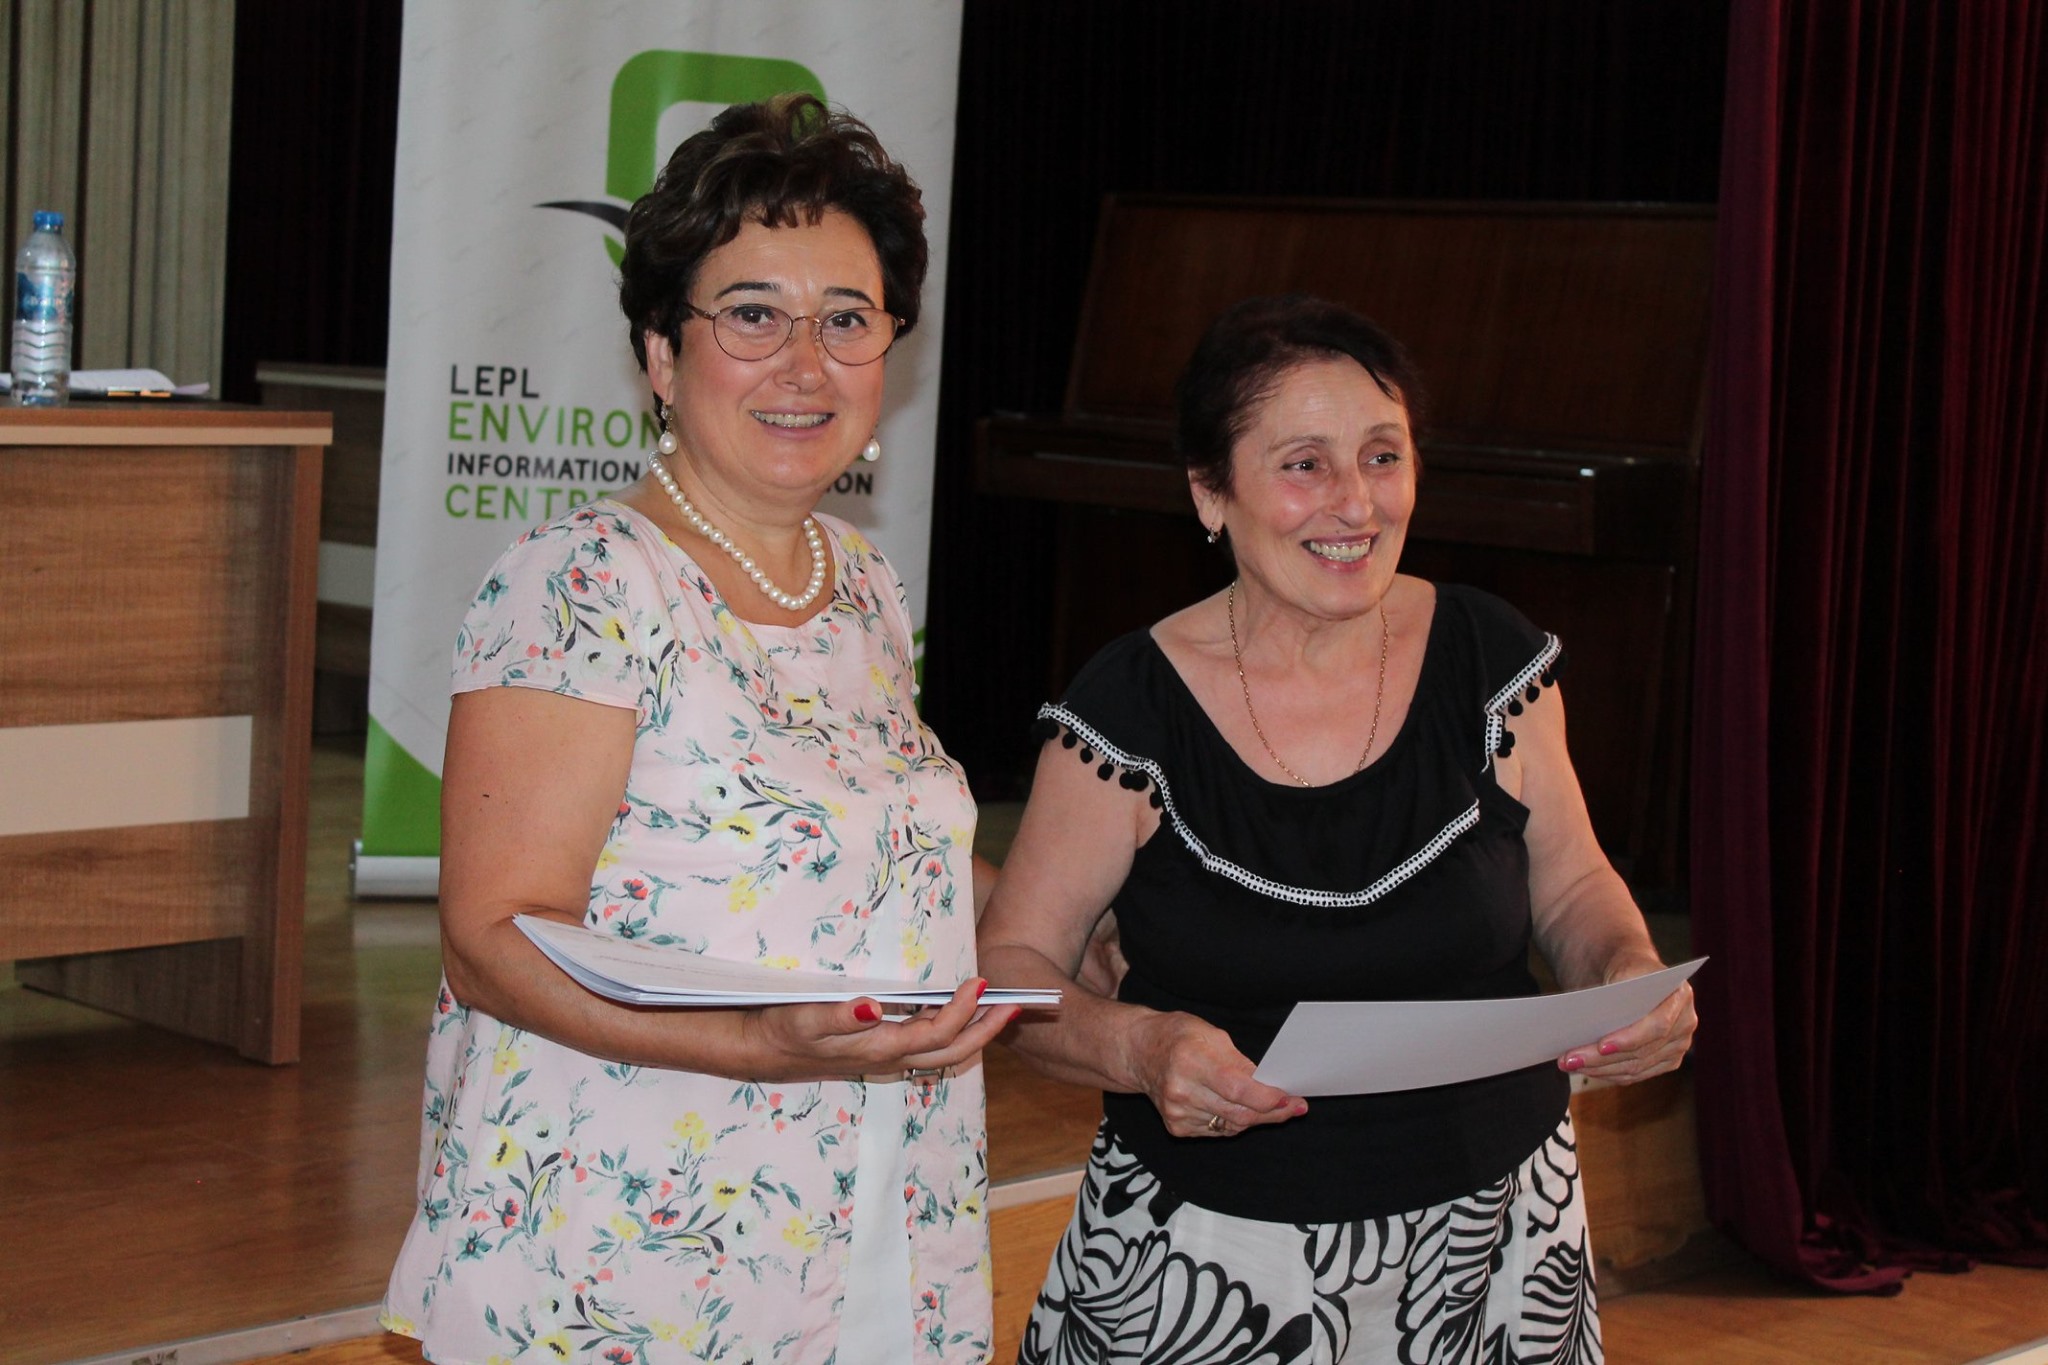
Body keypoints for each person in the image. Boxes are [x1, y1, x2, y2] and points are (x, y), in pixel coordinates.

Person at [382, 94, 1016, 1364]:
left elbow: (876, 850)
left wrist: (1073, 916)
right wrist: (755, 1045)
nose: (805, 364)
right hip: (637, 1229)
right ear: (662, 356)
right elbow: (493, 942)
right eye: (753, 317)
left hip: (873, 1190)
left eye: (847, 320)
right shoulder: (583, 581)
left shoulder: (859, 583)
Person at [977, 295, 1697, 1364]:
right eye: (1304, 464)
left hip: (1494, 1240)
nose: (1355, 502)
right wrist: (1138, 1047)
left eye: (1381, 455)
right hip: (1210, 1254)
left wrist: (1627, 972)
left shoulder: (1489, 656)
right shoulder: (1127, 710)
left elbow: (1573, 885)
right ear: (1209, 491)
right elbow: (1010, 967)